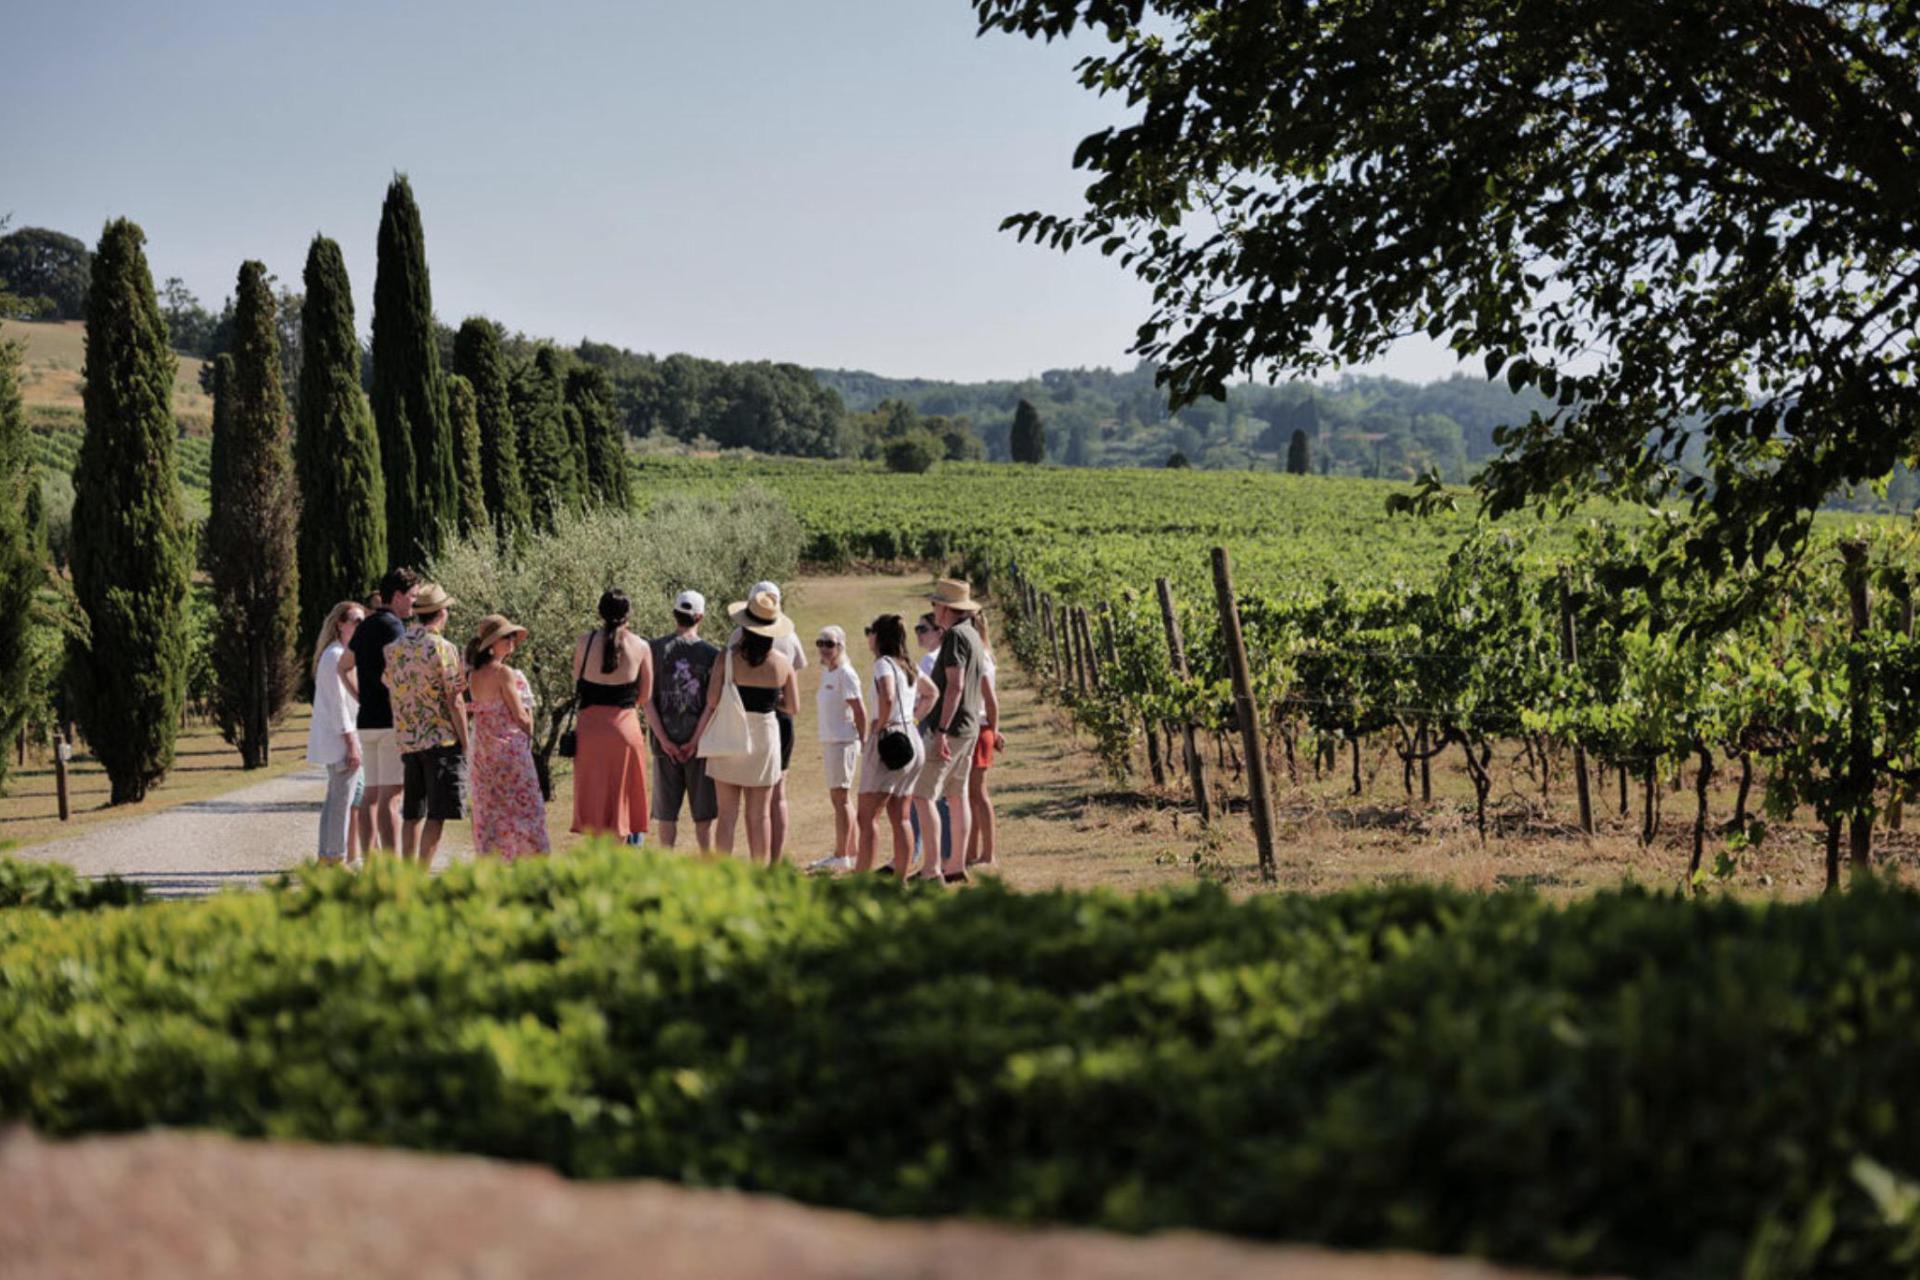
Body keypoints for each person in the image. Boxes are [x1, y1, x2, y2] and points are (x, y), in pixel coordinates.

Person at [696, 586, 797, 865]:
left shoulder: (726, 657)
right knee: (760, 814)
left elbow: (713, 699)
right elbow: (792, 707)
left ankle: (723, 874)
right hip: (764, 736)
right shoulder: (781, 663)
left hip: (730, 736)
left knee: (727, 815)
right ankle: (759, 872)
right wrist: (770, 703)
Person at [383, 582, 468, 868]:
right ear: (441, 613)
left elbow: (388, 684)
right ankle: (420, 875)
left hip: (408, 740)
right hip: (440, 740)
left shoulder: (394, 649)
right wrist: (466, 742)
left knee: (412, 812)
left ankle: (406, 875)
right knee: (436, 813)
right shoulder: (443, 648)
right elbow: (454, 700)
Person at [911, 579, 987, 884]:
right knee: (957, 796)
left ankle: (932, 870)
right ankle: (955, 864)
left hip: (952, 727)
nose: (933, 610)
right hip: (969, 727)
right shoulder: (973, 634)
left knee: (923, 795)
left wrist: (940, 729)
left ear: (945, 608)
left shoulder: (955, 636)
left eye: (935, 604)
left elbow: (954, 685)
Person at [338, 568, 418, 855]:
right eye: (411, 596)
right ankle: (390, 864)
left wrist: (361, 697)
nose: (414, 603)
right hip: (389, 721)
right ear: (397, 596)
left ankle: (371, 864)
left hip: (367, 720)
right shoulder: (395, 628)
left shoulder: (366, 626)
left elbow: (343, 667)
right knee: (391, 797)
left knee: (370, 795)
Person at [729, 580, 808, 863]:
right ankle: (772, 860)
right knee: (776, 795)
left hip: (749, 718)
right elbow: (796, 670)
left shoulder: (739, 635)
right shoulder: (789, 635)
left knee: (750, 802)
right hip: (780, 717)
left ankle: (757, 859)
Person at [855, 614, 935, 875]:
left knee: (867, 817)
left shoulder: (883, 664)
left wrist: (879, 728)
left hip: (888, 737)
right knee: (900, 816)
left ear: (879, 637)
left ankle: (861, 880)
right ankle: (901, 877)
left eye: (870, 631)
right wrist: (913, 718)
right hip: (911, 737)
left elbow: (887, 695)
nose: (869, 636)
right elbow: (932, 692)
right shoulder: (909, 665)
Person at [571, 588, 653, 844]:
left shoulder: (584, 643)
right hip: (624, 730)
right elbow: (645, 696)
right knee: (621, 803)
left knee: (595, 799)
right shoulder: (641, 646)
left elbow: (577, 682)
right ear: (628, 614)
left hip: (590, 732)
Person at [465, 614, 549, 861]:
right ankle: (531, 860)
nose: (512, 642)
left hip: (484, 752)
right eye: (505, 638)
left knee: (491, 811)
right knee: (527, 808)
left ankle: (495, 861)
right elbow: (520, 716)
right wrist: (530, 728)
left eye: (512, 637)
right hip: (509, 751)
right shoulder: (504, 673)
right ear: (491, 644)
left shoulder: (473, 675)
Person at [645, 589, 720, 852]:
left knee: (666, 814)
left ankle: (665, 864)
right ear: (700, 616)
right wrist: (695, 741)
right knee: (704, 815)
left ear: (675, 614)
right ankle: (708, 864)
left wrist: (664, 741)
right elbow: (712, 705)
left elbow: (646, 700)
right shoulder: (712, 655)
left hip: (663, 744)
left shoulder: (652, 649)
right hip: (701, 745)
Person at [306, 600, 366, 866]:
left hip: (343, 737)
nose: (360, 625)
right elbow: (338, 705)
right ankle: (335, 857)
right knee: (341, 801)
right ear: (340, 623)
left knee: (336, 799)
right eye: (356, 620)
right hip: (342, 740)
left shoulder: (341, 653)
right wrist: (352, 743)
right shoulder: (334, 656)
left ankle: (326, 856)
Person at [806, 625, 866, 873]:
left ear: (840, 646)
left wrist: (865, 742)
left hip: (843, 742)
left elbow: (860, 711)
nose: (824, 648)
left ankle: (841, 854)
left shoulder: (845, 673)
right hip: (831, 741)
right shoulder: (828, 673)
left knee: (840, 798)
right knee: (840, 798)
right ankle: (849, 851)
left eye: (829, 644)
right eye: (820, 643)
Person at [908, 611, 951, 872]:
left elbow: (924, 696)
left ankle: (917, 850)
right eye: (917, 629)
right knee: (942, 794)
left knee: (922, 793)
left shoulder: (928, 661)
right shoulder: (945, 658)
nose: (919, 634)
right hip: (943, 725)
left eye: (923, 629)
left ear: (939, 632)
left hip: (928, 724)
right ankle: (947, 853)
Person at [965, 610, 1007, 871]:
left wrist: (993, 730)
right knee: (971, 795)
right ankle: (971, 850)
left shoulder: (979, 657)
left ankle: (989, 853)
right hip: (979, 727)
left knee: (978, 794)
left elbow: (990, 701)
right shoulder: (984, 655)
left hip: (979, 728)